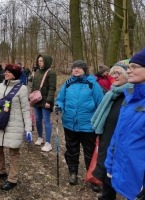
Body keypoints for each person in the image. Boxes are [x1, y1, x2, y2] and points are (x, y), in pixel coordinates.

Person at [54, 60, 103, 188]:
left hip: (88, 125)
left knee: (90, 152)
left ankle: (92, 177)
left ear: (84, 70)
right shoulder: (68, 84)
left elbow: (100, 103)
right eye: (74, 68)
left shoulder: (92, 84)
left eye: (79, 68)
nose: (76, 70)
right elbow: (60, 99)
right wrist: (58, 106)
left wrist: (99, 123)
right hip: (70, 124)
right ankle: (73, 173)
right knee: (72, 150)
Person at [105, 48, 145, 200]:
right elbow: (117, 136)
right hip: (126, 173)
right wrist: (109, 164)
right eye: (129, 67)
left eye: (134, 67)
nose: (129, 70)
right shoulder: (129, 99)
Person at [91, 59, 132, 199]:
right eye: (113, 72)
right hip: (106, 140)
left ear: (127, 75)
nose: (114, 75)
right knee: (106, 176)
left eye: (118, 73)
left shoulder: (130, 96)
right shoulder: (111, 94)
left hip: (121, 145)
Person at [31, 54, 57, 152]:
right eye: (39, 60)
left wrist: (49, 101)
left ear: (46, 61)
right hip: (37, 100)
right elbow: (34, 86)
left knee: (46, 121)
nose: (40, 62)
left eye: (42, 61)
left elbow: (52, 88)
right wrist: (31, 98)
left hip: (46, 101)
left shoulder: (51, 73)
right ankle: (40, 137)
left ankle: (48, 143)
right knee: (38, 120)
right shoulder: (37, 71)